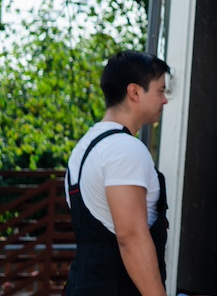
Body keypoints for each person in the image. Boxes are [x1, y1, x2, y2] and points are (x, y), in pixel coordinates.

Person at [65, 51, 171, 295]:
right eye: (160, 90)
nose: (164, 100)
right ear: (134, 92)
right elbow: (131, 237)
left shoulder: (83, 148)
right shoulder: (124, 149)